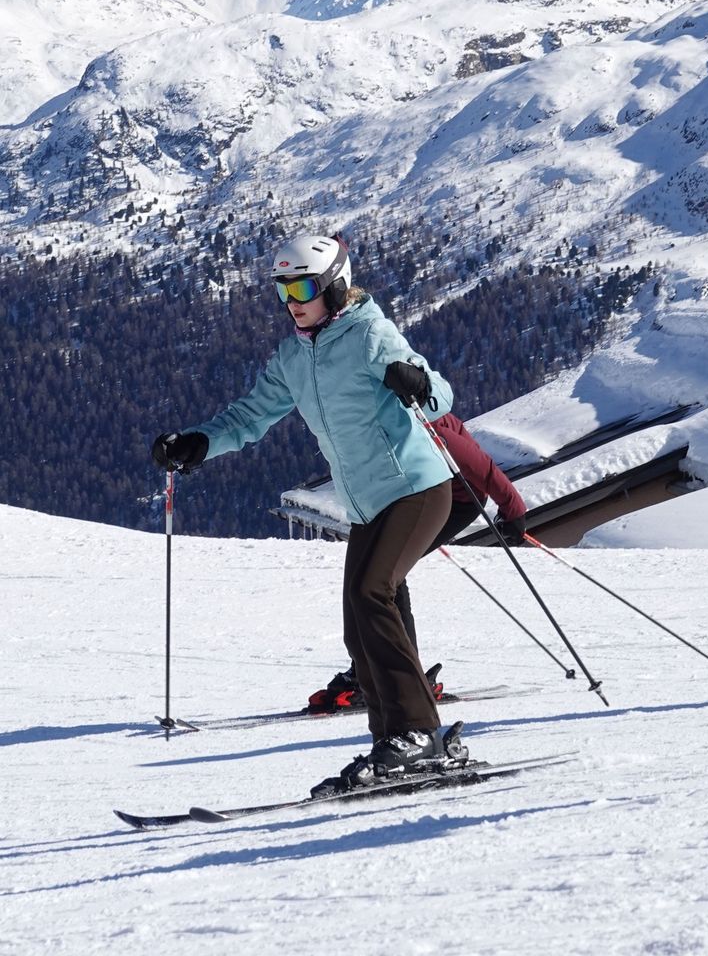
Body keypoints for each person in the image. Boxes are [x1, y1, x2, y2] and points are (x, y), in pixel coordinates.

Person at [152, 233, 463, 790]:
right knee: (359, 618)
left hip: (415, 488)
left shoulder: (369, 333)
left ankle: (418, 733)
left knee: (373, 592)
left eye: (301, 287)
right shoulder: (294, 356)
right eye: (282, 290)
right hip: (368, 504)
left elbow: (438, 392)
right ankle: (393, 739)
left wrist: (418, 383)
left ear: (336, 288)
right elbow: (250, 415)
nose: (291, 301)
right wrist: (200, 441)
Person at [310, 412, 527, 711]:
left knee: (384, 575)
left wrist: (514, 510)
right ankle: (381, 666)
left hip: (456, 502)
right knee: (382, 574)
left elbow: (481, 465)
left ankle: (395, 671)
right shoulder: (377, 417)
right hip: (409, 496)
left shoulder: (422, 423)